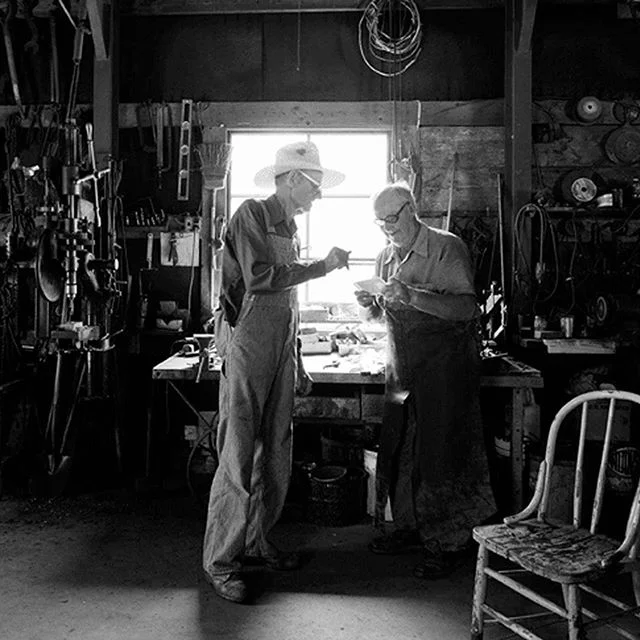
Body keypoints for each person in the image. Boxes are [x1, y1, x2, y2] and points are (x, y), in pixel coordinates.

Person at [203, 141, 351, 603]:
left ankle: (258, 541)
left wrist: (297, 357)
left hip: (280, 348)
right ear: (290, 180)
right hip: (247, 345)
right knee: (239, 453)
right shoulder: (252, 214)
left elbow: (289, 304)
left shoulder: (288, 225)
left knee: (277, 451)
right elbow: (262, 280)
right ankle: (221, 563)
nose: (318, 196)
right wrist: (322, 267)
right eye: (313, 186)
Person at [355, 182, 495, 578]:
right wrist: (370, 305)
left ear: (412, 209)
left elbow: (466, 308)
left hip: (446, 368)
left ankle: (448, 541)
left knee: (443, 450)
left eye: (392, 218)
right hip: (402, 366)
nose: (386, 227)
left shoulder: (446, 247)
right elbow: (382, 317)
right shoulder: (385, 256)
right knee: (400, 448)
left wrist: (412, 295)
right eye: (380, 221)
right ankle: (408, 528)